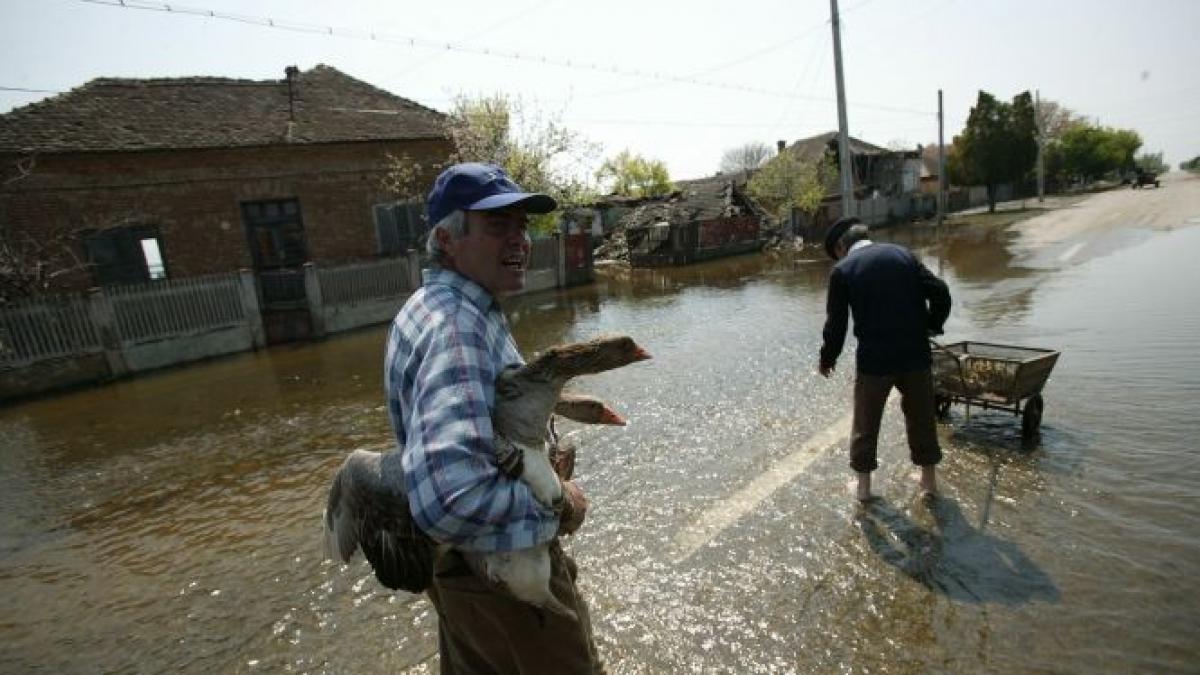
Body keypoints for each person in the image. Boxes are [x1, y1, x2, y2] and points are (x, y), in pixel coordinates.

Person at [384, 162, 604, 674]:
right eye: (497, 226)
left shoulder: (429, 306)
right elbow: (449, 498)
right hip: (507, 582)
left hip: (464, 578)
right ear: (447, 239)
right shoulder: (457, 330)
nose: (520, 241)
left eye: (522, 226)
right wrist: (559, 506)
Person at [817, 216, 951, 502]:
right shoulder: (903, 255)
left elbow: (836, 326)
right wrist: (930, 325)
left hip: (875, 362)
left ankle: (863, 489)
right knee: (922, 416)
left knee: (866, 423)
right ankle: (928, 483)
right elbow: (940, 292)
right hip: (915, 354)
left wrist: (827, 358)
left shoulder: (842, 270)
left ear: (841, 246)